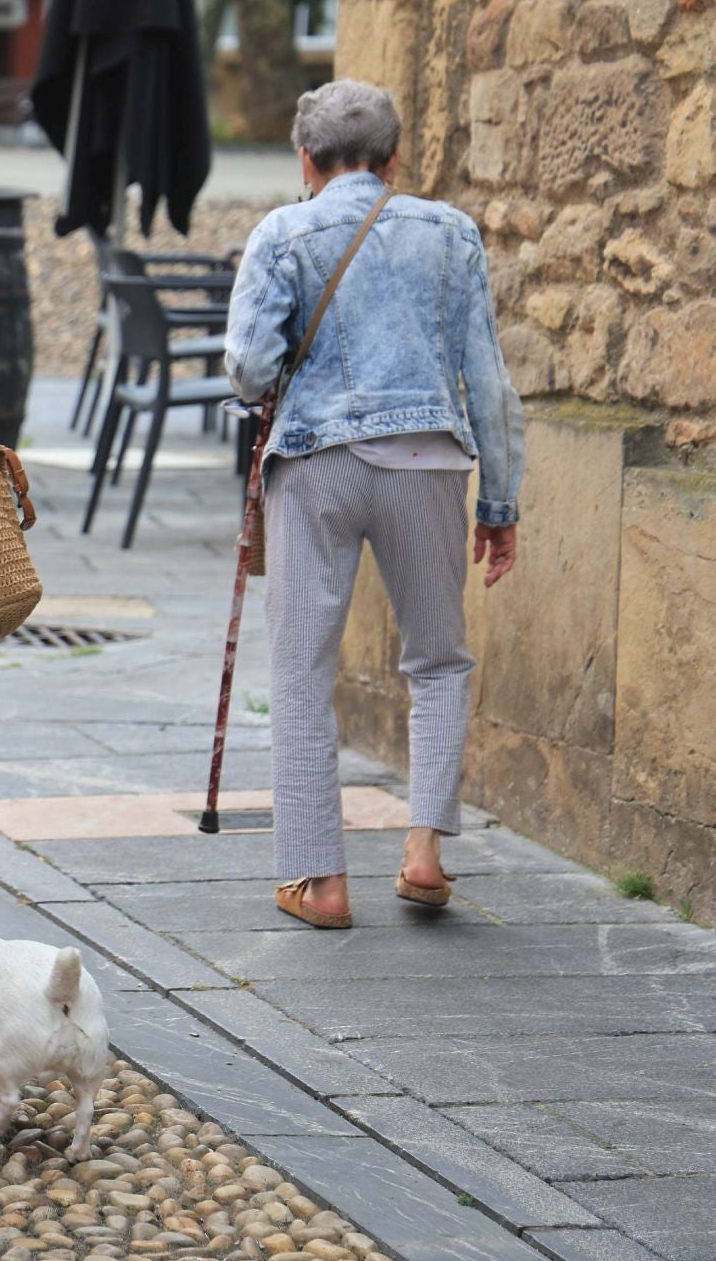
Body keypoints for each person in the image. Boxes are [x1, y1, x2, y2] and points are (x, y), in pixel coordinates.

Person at [223, 79, 524, 930]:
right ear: (395, 160)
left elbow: (247, 371)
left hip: (317, 466)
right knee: (438, 660)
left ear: (304, 161)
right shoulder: (451, 232)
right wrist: (499, 501)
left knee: (301, 671)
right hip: (428, 463)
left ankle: (320, 883)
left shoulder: (281, 231)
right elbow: (489, 384)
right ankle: (424, 850)